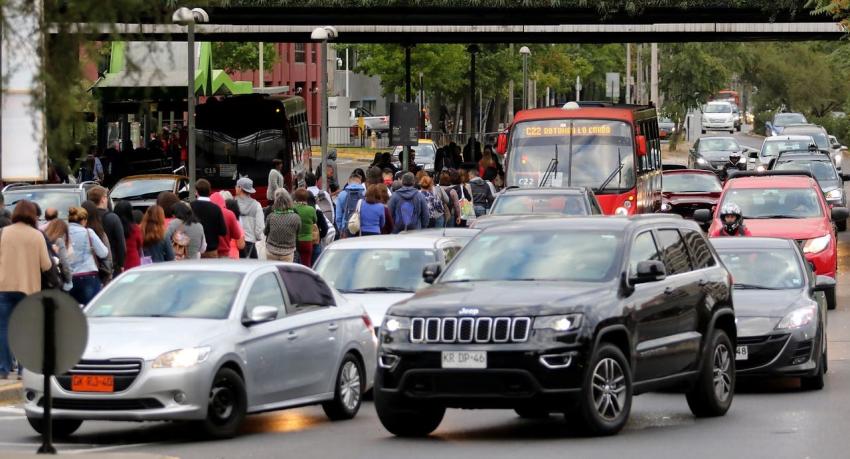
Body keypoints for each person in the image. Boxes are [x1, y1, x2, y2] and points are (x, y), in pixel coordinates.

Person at [0, 200, 53, 379]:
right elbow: (46, 265)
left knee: (4, 329)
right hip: (29, 288)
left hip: (4, 286)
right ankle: (24, 369)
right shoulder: (36, 235)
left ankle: (3, 369)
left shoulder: (4, 233)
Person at [67, 206, 109, 304]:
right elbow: (103, 253)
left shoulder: (63, 233)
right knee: (90, 309)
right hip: (88, 276)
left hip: (69, 278)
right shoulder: (88, 232)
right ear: (84, 220)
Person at [87, 186, 126, 275]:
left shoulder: (85, 218)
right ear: (103, 199)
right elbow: (121, 243)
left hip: (90, 264)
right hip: (111, 263)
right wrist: (121, 264)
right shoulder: (112, 218)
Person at [190, 179, 227, 258]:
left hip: (194, 252)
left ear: (196, 191)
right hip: (211, 251)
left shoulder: (190, 207)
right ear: (209, 191)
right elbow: (223, 231)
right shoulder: (216, 208)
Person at [81, 200, 114, 284]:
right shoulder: (100, 233)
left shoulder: (79, 232)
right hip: (100, 275)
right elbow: (108, 256)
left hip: (81, 275)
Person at [264, 189, 302, 262]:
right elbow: (298, 232)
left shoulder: (271, 216)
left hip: (271, 251)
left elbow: (265, 232)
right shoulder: (296, 217)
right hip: (288, 252)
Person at [235, 177, 265, 259]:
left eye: (236, 186)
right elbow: (260, 226)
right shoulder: (257, 205)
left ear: (240, 188)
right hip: (250, 243)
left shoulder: (232, 204)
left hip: (235, 243)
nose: (235, 187)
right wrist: (257, 237)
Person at [210, 190, 245, 260]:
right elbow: (241, 244)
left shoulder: (211, 216)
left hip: (214, 255)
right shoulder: (234, 220)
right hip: (232, 257)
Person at [44, 219, 73, 291]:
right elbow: (64, 262)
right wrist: (69, 280)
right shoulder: (59, 241)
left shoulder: (43, 240)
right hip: (58, 280)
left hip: (45, 280)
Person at [335, 172, 367, 237]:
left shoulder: (342, 194)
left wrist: (341, 229)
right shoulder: (364, 194)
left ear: (349, 182)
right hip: (361, 228)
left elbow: (338, 216)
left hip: (346, 227)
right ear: (360, 182)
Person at [113, 201, 143, 270]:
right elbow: (139, 244)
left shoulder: (113, 227)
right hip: (133, 261)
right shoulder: (135, 228)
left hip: (118, 262)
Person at [293, 188, 317, 267]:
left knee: (296, 265)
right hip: (307, 241)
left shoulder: (293, 209)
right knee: (306, 264)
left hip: (296, 241)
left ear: (296, 197)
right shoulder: (311, 209)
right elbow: (315, 220)